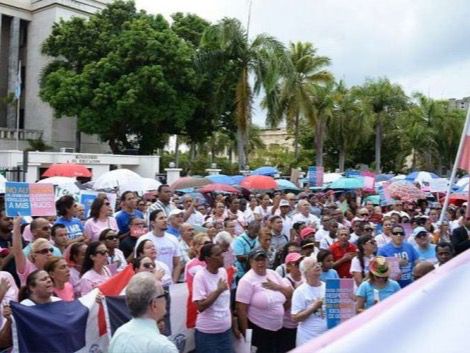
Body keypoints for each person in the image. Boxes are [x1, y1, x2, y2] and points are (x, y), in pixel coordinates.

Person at [235, 249, 290, 353]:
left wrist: (277, 287)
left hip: (279, 328)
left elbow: (290, 294)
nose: (261, 263)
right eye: (257, 260)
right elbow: (241, 309)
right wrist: (247, 335)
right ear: (251, 262)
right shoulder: (246, 280)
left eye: (263, 259)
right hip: (259, 331)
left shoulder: (273, 274)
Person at [108, 272, 178, 353]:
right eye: (164, 295)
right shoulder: (164, 347)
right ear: (154, 305)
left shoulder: (119, 334)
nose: (166, 300)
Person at [193, 243, 234, 353]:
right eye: (218, 254)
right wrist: (218, 290)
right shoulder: (200, 277)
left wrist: (233, 324)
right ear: (208, 259)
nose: (222, 256)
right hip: (208, 335)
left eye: (222, 253)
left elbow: (226, 302)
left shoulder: (222, 272)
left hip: (226, 331)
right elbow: (200, 306)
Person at [136, 210, 181, 283]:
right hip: (149, 282)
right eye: (161, 218)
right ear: (153, 223)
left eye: (165, 218)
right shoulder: (143, 239)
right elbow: (138, 263)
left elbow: (177, 264)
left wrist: (173, 282)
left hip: (168, 281)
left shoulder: (173, 239)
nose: (165, 220)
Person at [291, 257, 327, 346]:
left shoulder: (328, 287)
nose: (317, 266)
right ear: (305, 273)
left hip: (327, 337)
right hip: (308, 339)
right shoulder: (300, 291)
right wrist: (313, 307)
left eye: (317, 263)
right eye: (313, 265)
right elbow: (295, 318)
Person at [12, 217, 53, 286]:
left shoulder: (52, 268)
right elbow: (17, 250)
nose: (49, 253)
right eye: (44, 251)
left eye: (51, 250)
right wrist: (16, 225)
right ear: (34, 255)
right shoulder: (27, 268)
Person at [279, 252, 303, 352]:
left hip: (302, 324)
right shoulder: (284, 282)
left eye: (302, 263)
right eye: (297, 264)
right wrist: (294, 294)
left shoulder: (305, 279)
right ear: (288, 266)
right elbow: (282, 308)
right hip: (287, 326)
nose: (300, 266)